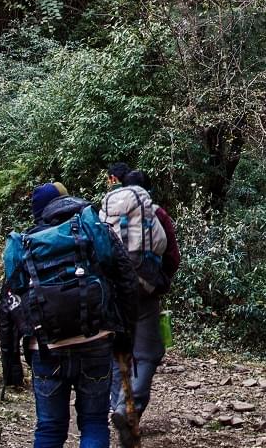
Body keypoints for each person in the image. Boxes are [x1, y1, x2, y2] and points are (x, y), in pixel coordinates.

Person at [0, 182, 138, 448]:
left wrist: (12, 367)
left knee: (50, 429)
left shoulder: (27, 244)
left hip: (45, 347)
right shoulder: (95, 232)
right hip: (97, 340)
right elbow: (128, 284)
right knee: (95, 421)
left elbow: (8, 306)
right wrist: (125, 338)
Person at [102, 164, 180, 432]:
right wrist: (159, 282)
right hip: (143, 290)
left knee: (116, 349)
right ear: (147, 189)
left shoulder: (109, 210)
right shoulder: (155, 212)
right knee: (148, 353)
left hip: (111, 289)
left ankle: (115, 406)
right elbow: (172, 256)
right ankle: (128, 409)